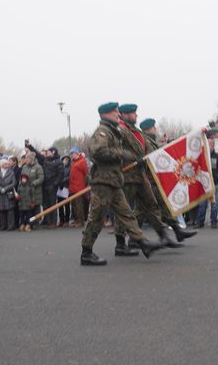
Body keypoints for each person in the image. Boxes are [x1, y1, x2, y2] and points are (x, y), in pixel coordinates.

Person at [79, 102, 165, 265]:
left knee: (127, 214)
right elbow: (97, 151)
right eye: (114, 113)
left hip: (114, 181)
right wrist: (122, 154)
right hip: (103, 182)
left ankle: (143, 243)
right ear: (105, 115)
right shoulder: (103, 132)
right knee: (96, 218)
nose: (117, 115)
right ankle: (86, 252)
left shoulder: (113, 131)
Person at [114, 104, 176, 250]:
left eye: (135, 113)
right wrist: (133, 158)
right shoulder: (120, 130)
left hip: (140, 175)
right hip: (128, 175)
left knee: (151, 205)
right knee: (125, 210)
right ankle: (121, 243)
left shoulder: (134, 131)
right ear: (124, 114)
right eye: (132, 114)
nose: (135, 116)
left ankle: (164, 236)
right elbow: (117, 151)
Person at [139, 118, 197, 242]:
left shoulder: (150, 141)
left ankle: (177, 232)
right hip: (149, 180)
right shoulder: (145, 141)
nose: (156, 129)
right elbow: (151, 158)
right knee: (144, 210)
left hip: (154, 180)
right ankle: (135, 239)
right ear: (149, 129)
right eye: (154, 127)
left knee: (162, 208)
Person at [25, 143, 63, 228]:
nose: (47, 153)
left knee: (52, 204)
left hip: (52, 186)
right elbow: (37, 154)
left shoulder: (58, 162)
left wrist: (54, 185)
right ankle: (48, 222)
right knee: (45, 205)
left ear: (53, 152)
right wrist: (30, 146)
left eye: (48, 151)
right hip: (44, 185)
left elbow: (60, 175)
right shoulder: (45, 160)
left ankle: (53, 222)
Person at [196, 135, 218, 228]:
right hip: (204, 184)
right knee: (202, 204)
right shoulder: (201, 156)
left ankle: (214, 222)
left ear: (213, 146)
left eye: (210, 145)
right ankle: (200, 222)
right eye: (207, 145)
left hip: (214, 184)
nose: (208, 146)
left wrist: (217, 176)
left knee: (214, 204)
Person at [20, 152, 44, 227]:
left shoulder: (38, 167)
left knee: (36, 207)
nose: (26, 160)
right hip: (26, 191)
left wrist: (34, 183)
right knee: (29, 208)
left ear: (31, 159)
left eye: (27, 158)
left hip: (35, 190)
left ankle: (37, 223)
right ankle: (29, 223)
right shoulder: (24, 167)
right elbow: (21, 177)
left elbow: (41, 178)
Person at [0, 156, 17, 230]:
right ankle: (3, 225)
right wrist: (0, 189)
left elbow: (13, 183)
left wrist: (5, 189)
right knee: (1, 210)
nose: (7, 165)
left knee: (10, 210)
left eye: (8, 164)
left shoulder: (11, 173)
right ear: (2, 165)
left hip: (8, 193)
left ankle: (11, 226)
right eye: (6, 164)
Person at [68, 147, 89, 228]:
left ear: (77, 153)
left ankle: (81, 221)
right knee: (74, 205)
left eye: (73, 153)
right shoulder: (73, 162)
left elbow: (86, 174)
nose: (72, 155)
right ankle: (76, 219)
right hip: (72, 187)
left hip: (79, 187)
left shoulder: (82, 161)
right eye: (71, 154)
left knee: (79, 205)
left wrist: (84, 185)